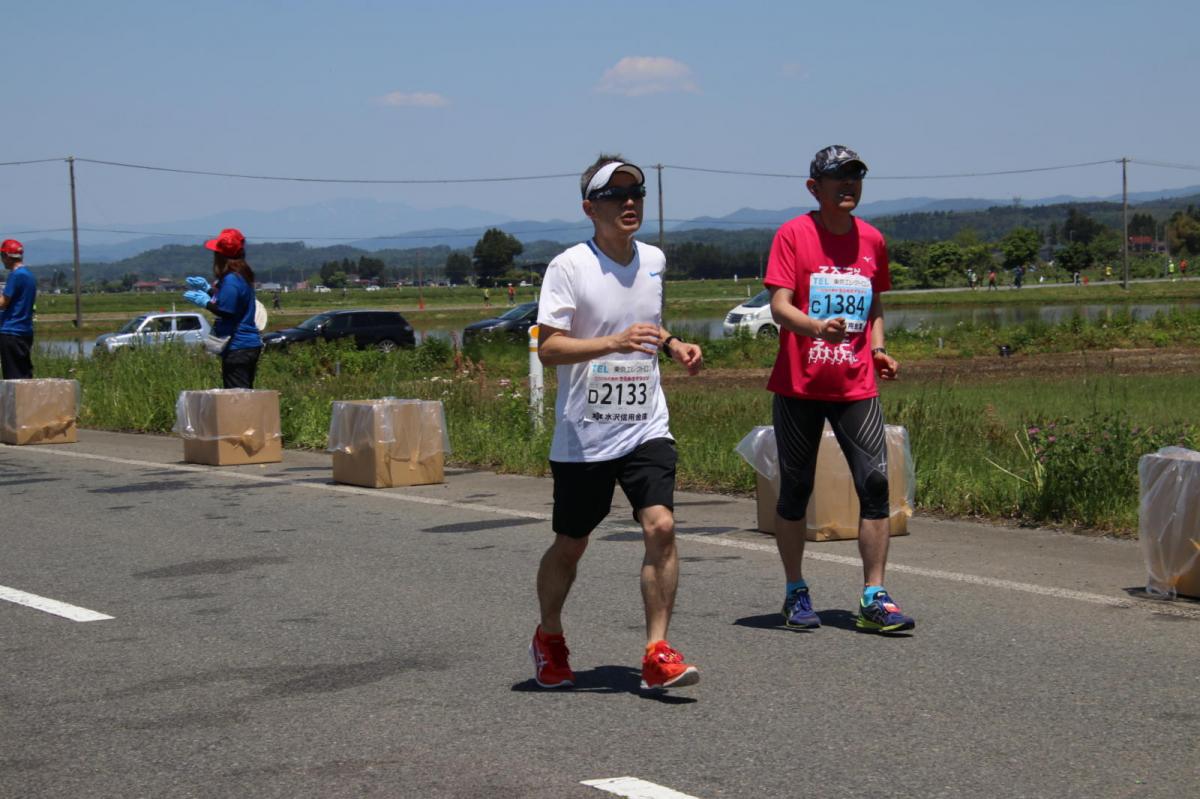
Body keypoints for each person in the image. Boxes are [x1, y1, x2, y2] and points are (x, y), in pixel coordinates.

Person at [530, 155, 704, 693]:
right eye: (615, 195)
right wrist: (614, 342)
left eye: (637, 193)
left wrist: (673, 344)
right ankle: (550, 638)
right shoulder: (568, 267)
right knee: (571, 543)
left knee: (662, 527)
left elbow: (645, 325)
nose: (630, 203)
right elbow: (549, 348)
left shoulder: (653, 258)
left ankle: (656, 651)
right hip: (585, 430)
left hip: (645, 422)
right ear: (590, 208)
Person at [763, 145, 913, 634]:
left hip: (856, 385)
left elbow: (873, 307)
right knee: (796, 490)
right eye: (838, 178)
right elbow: (779, 306)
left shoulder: (872, 239)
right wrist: (812, 327)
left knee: (874, 484)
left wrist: (878, 349)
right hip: (799, 385)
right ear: (814, 187)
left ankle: (875, 595)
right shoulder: (793, 234)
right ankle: (795, 591)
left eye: (856, 176)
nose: (849, 185)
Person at [182, 228, 263, 389]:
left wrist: (206, 303)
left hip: (238, 346)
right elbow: (230, 299)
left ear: (220, 256)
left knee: (237, 396)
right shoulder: (241, 276)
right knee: (243, 391)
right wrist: (208, 290)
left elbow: (227, 310)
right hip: (247, 345)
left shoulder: (231, 279)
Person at [0, 239, 36, 379]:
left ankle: (17, 401)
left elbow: (3, 303)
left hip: (11, 331)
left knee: (13, 378)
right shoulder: (29, 275)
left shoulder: (16, 275)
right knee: (24, 373)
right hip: (25, 331)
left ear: (7, 256)